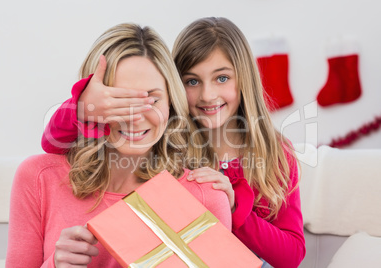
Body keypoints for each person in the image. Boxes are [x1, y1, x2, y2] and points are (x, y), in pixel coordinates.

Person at [41, 17, 306, 268]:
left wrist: (236, 208)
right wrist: (83, 106)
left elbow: (292, 255)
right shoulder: (166, 139)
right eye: (192, 81)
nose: (208, 95)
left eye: (222, 78)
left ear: (244, 79)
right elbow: (53, 142)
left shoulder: (274, 152)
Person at [6, 23, 231, 268]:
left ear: (171, 103)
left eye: (152, 99)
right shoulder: (38, 178)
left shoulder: (204, 198)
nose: (134, 117)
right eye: (118, 101)